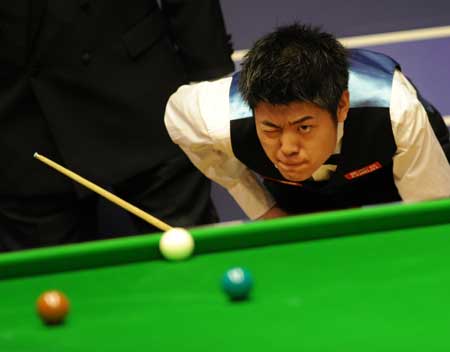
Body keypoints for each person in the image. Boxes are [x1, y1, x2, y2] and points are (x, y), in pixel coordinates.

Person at [0, 0, 234, 251]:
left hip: (143, 97)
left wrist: (210, 84)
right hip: (22, 123)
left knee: (195, 269)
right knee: (49, 285)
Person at [164, 23, 450, 220]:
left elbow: (430, 207)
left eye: (304, 127)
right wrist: (262, 208)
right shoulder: (217, 116)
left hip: (386, 164)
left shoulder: (395, 112)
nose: (287, 149)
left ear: (341, 107)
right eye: (271, 128)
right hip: (299, 188)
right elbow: (177, 114)